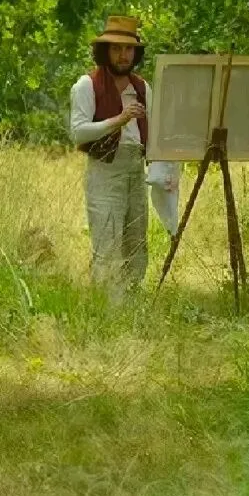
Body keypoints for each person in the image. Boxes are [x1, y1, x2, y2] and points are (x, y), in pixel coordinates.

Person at [69, 15, 159, 302]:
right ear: (105, 51)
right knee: (107, 241)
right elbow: (78, 132)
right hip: (104, 169)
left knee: (136, 240)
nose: (123, 55)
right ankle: (107, 308)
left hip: (136, 168)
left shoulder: (142, 88)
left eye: (129, 49)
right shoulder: (87, 85)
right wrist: (118, 120)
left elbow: (154, 131)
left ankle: (131, 305)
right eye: (117, 48)